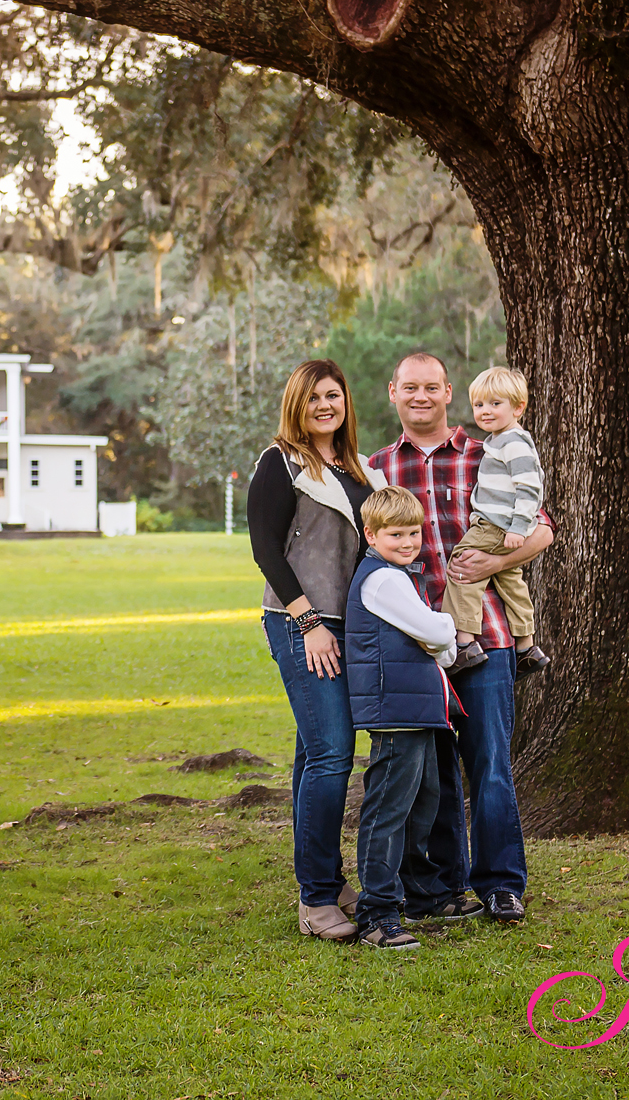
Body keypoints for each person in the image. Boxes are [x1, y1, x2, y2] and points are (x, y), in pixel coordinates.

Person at [369, 352, 554, 924]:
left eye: (432, 387)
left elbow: (542, 528)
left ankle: (501, 884)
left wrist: (486, 562)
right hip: (410, 644)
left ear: (449, 392)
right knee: (431, 771)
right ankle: (440, 886)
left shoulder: (489, 450)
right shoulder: (374, 470)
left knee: (490, 763)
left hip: (486, 635)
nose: (420, 396)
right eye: (410, 387)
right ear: (393, 392)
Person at [247, 359, 385, 942]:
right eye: (313, 398)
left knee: (315, 753)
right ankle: (316, 900)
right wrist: (309, 623)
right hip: (302, 621)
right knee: (333, 753)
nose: (325, 406)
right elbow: (265, 549)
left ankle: (326, 875)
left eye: (334, 395)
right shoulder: (280, 461)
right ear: (296, 406)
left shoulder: (359, 469)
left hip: (351, 626)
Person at [343, 486, 461, 949]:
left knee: (423, 800)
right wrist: (446, 632)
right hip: (395, 710)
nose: (409, 542)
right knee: (389, 809)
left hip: (417, 707)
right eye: (396, 535)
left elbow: (434, 641)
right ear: (371, 534)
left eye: (414, 532)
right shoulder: (383, 580)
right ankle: (377, 912)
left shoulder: (397, 574)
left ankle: (421, 893)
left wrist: (440, 640)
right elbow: (434, 630)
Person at [440, 366, 550, 676]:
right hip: (501, 524)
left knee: (462, 568)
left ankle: (464, 644)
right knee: (510, 580)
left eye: (495, 404)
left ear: (518, 408)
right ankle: (527, 645)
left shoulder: (513, 442)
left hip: (495, 525)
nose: (485, 411)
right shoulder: (502, 439)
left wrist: (518, 528)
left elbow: (530, 487)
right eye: (479, 405)